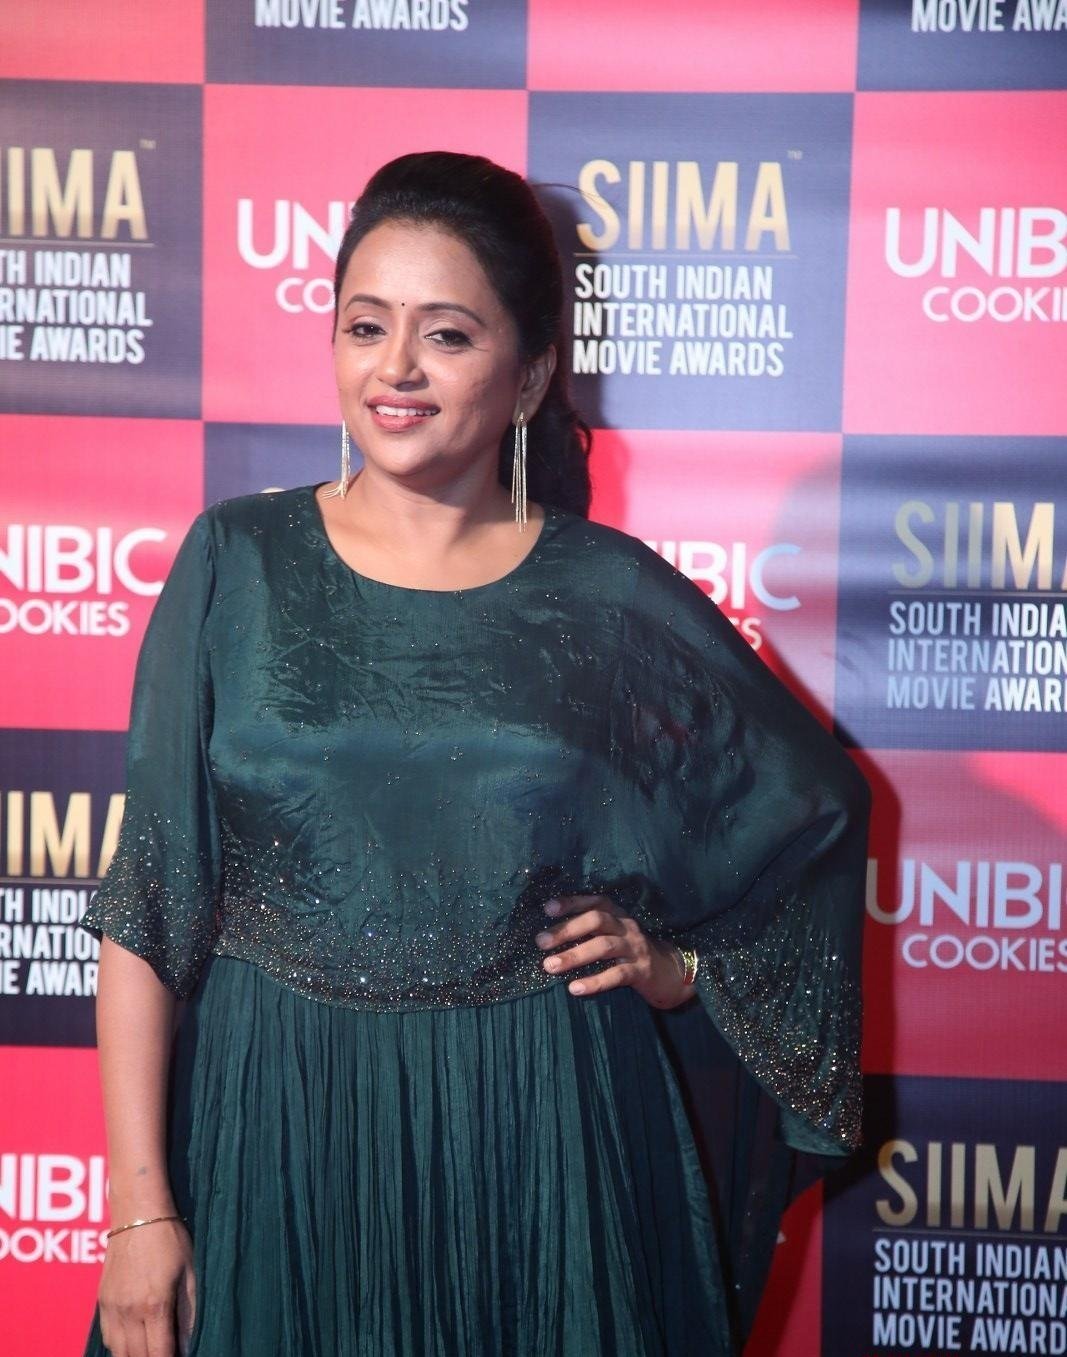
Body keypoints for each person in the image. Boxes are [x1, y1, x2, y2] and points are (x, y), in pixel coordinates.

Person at [79, 150, 870, 1357]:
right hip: (276, 1124)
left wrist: (681, 969)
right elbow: (150, 906)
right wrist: (139, 1210)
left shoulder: (607, 595)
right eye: (365, 326)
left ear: (530, 372)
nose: (395, 368)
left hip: (539, 1133)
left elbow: (808, 816)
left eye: (445, 334)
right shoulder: (236, 562)